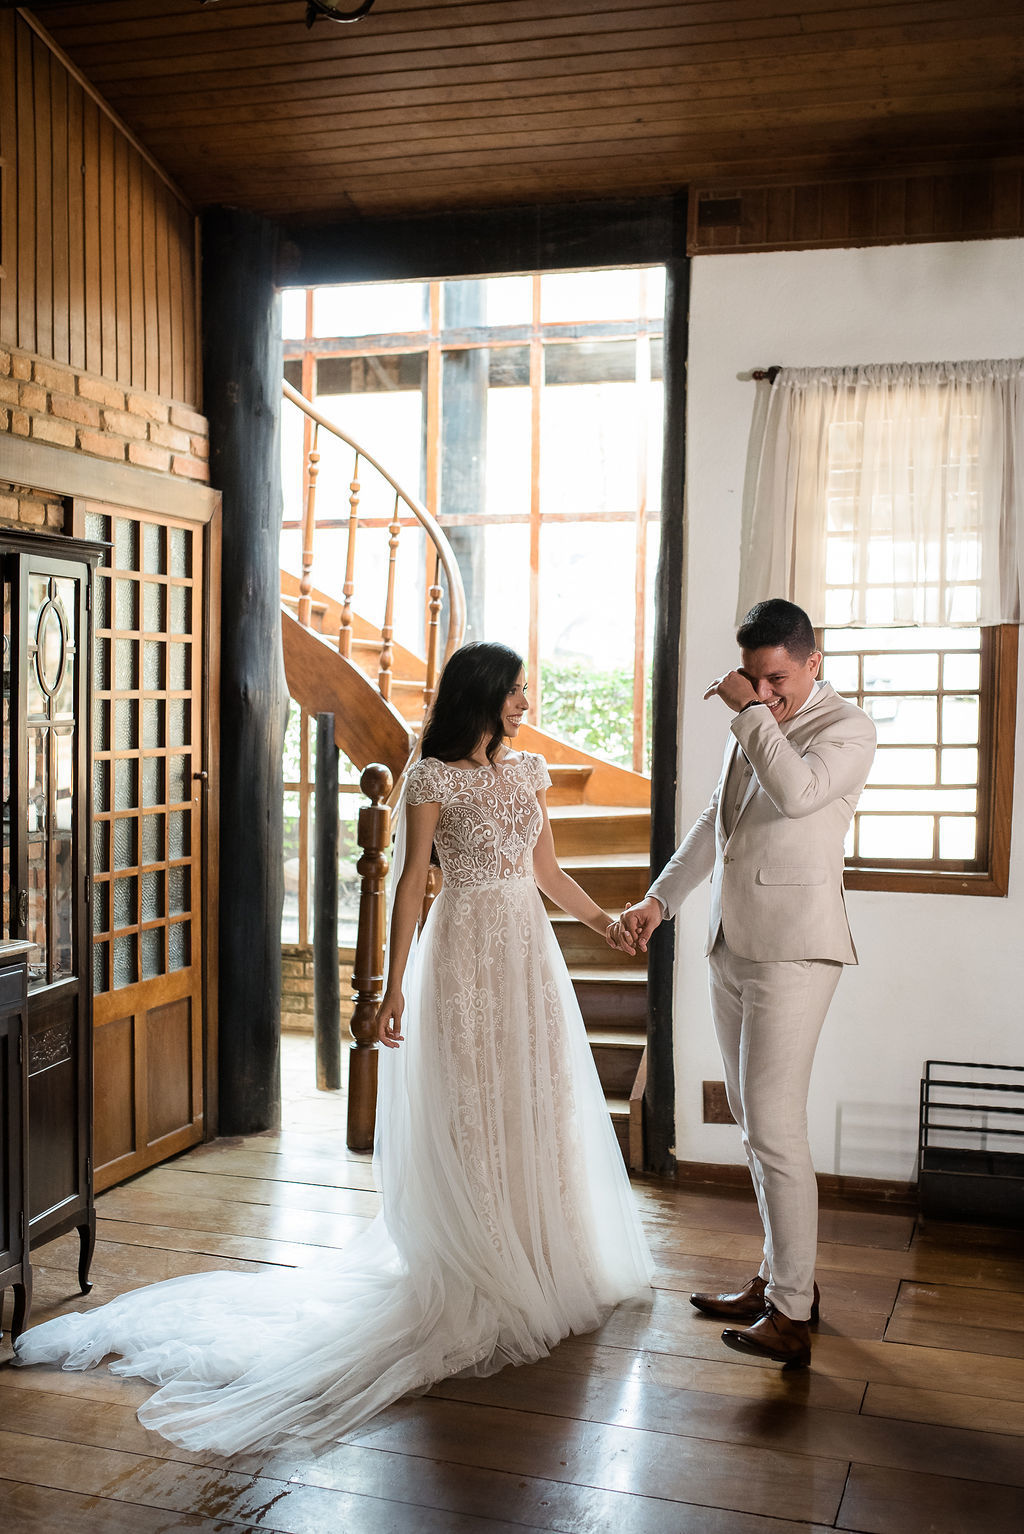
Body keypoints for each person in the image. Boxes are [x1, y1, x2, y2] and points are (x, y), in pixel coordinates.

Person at [15, 641, 652, 1453]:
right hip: (462, 954)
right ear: (485, 695)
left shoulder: (528, 773)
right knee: (473, 1105)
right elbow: (411, 883)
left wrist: (606, 922)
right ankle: (486, 1260)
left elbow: (548, 873)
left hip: (527, 954)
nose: (527, 703)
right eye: (517, 691)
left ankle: (543, 1253)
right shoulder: (430, 777)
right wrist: (390, 987)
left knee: (534, 1097)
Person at [613, 599, 875, 1369]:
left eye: (777, 679)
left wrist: (747, 713)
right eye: (752, 678)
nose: (763, 693)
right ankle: (779, 1279)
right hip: (731, 946)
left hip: (796, 952)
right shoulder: (756, 724)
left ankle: (791, 1312)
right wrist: (660, 899)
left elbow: (798, 794)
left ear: (813, 663)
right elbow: (715, 823)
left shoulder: (847, 729)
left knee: (775, 1126)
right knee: (754, 1125)